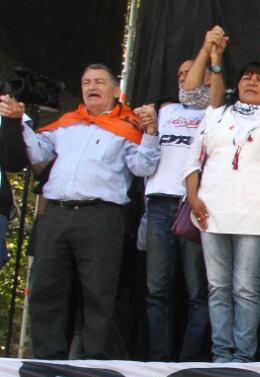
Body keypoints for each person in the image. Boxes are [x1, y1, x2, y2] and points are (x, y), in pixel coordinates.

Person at [0, 65, 159, 359]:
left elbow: (143, 167)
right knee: (47, 288)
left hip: (101, 215)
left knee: (98, 292)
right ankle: (47, 360)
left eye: (99, 81)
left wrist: (150, 132)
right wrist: (18, 120)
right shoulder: (67, 123)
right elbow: (36, 153)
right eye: (86, 82)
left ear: (115, 91)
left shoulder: (128, 125)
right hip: (58, 214)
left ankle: (95, 361)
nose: (91, 86)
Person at [184, 58, 260, 363]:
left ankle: (242, 356)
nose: (251, 82)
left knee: (245, 287)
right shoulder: (217, 114)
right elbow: (193, 159)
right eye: (246, 77)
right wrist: (192, 197)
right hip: (211, 208)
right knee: (217, 287)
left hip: (258, 212)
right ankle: (221, 354)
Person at [145, 58, 212, 361]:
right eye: (180, 74)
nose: (185, 79)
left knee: (197, 291)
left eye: (192, 73)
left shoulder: (216, 113)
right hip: (159, 202)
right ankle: (159, 360)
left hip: (193, 205)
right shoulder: (164, 111)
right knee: (156, 290)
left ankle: (188, 363)